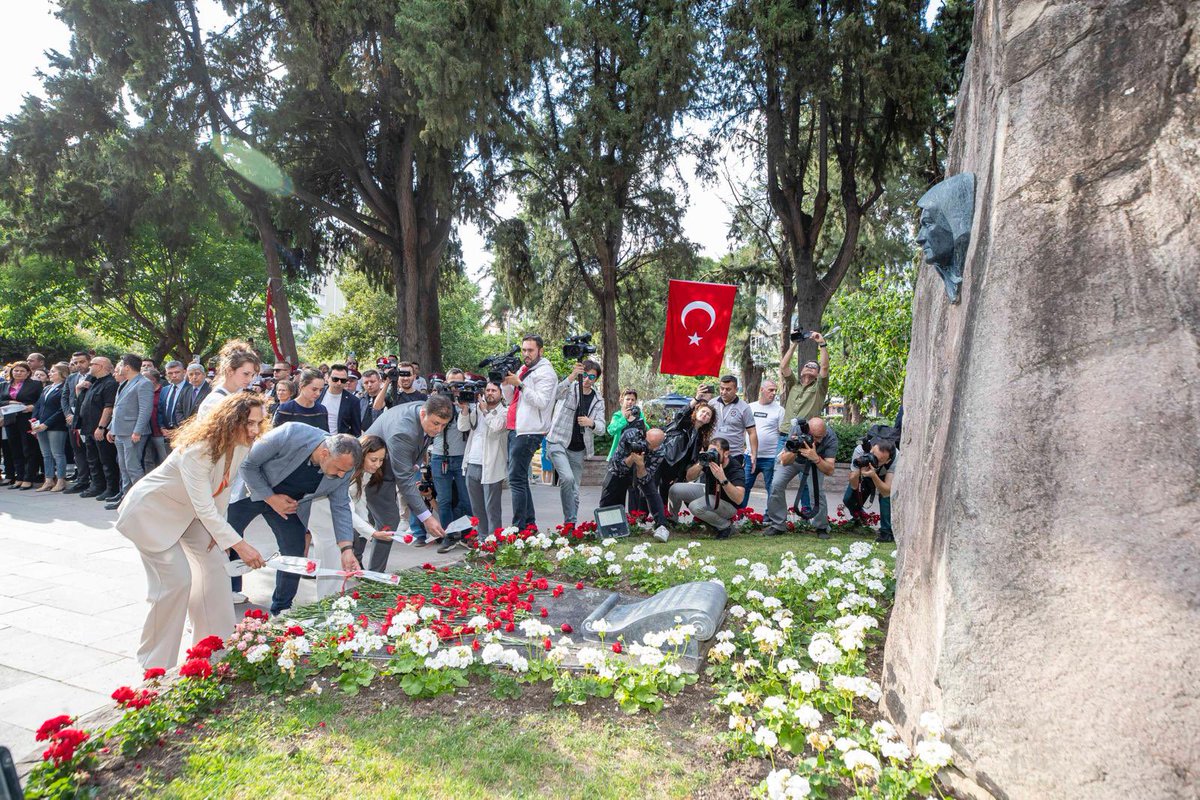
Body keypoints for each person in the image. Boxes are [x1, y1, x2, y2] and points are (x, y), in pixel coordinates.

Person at [115, 392, 270, 669]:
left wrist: (220, 534)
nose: (254, 430)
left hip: (190, 515)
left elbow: (221, 493)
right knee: (176, 583)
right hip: (151, 515)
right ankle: (155, 666)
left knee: (215, 569)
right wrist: (239, 545)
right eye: (248, 423)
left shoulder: (242, 444)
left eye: (259, 423)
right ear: (228, 420)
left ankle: (216, 649)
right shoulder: (198, 449)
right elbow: (204, 506)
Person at [227, 425, 362, 615]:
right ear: (324, 454)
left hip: (289, 505)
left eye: (345, 471)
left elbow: (340, 507)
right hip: (254, 492)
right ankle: (220, 593)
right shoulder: (290, 433)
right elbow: (247, 464)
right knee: (223, 539)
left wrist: (347, 549)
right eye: (338, 469)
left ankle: (281, 609)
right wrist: (271, 498)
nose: (341, 475)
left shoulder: (344, 467)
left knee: (294, 553)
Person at [364, 395, 454, 558]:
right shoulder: (403, 432)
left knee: (369, 522)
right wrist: (427, 518)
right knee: (387, 522)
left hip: (389, 467)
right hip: (372, 472)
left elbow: (421, 442)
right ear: (423, 414)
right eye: (436, 423)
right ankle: (373, 574)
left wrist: (414, 465)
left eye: (444, 425)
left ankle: (361, 568)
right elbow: (404, 480)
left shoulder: (425, 409)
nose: (439, 430)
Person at [501, 335, 558, 530]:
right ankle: (529, 524)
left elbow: (541, 401)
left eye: (530, 350)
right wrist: (506, 383)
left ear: (540, 351)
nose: (526, 354)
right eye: (524, 350)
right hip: (516, 428)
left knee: (516, 480)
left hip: (530, 431)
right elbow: (510, 399)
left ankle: (518, 528)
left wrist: (520, 384)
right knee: (520, 479)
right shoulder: (524, 370)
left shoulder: (546, 373)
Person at [544, 360, 606, 526]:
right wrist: (572, 376)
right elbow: (554, 395)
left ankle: (570, 525)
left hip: (578, 449)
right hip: (557, 441)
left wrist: (590, 422)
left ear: (596, 379)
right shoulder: (570, 388)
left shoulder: (598, 400)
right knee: (568, 478)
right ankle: (570, 523)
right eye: (585, 375)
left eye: (591, 376)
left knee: (575, 492)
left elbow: (601, 428)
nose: (587, 379)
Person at [764, 417, 839, 539]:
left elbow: (830, 470)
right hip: (793, 461)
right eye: (814, 437)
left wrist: (815, 458)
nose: (817, 440)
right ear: (808, 431)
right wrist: (796, 448)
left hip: (815, 462)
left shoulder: (830, 437)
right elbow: (784, 461)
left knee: (816, 492)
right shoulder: (797, 430)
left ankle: (821, 527)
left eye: (821, 436)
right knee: (776, 485)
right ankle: (778, 525)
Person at [780, 331, 830, 512]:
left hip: (805, 439)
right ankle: (774, 515)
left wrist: (821, 343)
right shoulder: (793, 384)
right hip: (785, 435)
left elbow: (825, 368)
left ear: (816, 374)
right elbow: (783, 366)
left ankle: (808, 512)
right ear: (801, 370)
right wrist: (794, 344)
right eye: (806, 366)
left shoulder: (819, 388)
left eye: (813, 367)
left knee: (808, 478)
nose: (809, 367)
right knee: (778, 478)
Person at [667, 437, 747, 539]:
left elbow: (739, 499)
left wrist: (723, 479)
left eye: (715, 452)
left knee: (695, 506)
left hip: (727, 505)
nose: (712, 455)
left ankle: (725, 526)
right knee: (675, 489)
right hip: (710, 494)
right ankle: (672, 522)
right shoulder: (710, 460)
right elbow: (689, 477)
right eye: (710, 451)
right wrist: (700, 463)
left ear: (726, 453)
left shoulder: (735, 468)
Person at [457, 381, 507, 537]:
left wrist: (485, 411)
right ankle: (482, 538)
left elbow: (496, 427)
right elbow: (462, 427)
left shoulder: (505, 411)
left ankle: (495, 541)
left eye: (494, 390)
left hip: (492, 466)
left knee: (492, 508)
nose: (490, 393)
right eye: (488, 390)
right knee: (477, 507)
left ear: (501, 393)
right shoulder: (477, 409)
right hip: (472, 463)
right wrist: (465, 409)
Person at [600, 426, 670, 537]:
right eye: (645, 441)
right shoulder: (630, 435)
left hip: (642, 471)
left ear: (656, 447)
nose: (644, 445)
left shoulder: (660, 451)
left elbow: (645, 478)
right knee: (610, 494)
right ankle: (609, 529)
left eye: (648, 445)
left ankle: (662, 526)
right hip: (619, 469)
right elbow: (617, 466)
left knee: (652, 492)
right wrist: (632, 458)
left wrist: (640, 465)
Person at [107, 354, 155, 508]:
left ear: (127, 367)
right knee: (123, 466)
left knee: (133, 467)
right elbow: (117, 408)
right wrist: (110, 428)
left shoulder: (144, 383)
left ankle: (143, 501)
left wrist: (138, 431)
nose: (118, 368)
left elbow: (145, 410)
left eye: (120, 365)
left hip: (133, 433)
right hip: (120, 432)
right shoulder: (125, 383)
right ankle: (126, 498)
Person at [348, 434, 395, 579]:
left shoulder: (367, 472)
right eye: (373, 460)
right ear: (362, 454)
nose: (377, 465)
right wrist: (371, 532)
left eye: (381, 460)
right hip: (328, 510)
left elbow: (359, 498)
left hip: (348, 508)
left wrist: (366, 526)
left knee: (361, 530)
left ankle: (357, 562)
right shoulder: (347, 470)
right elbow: (346, 510)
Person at [428, 369, 471, 527]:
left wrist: (464, 406)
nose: (454, 388)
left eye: (458, 384)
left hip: (462, 457)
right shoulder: (436, 401)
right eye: (451, 383)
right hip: (440, 456)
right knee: (444, 500)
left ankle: (467, 533)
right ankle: (449, 535)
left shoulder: (468, 401)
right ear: (445, 383)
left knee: (466, 499)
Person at [658, 390, 716, 506]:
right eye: (703, 411)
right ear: (696, 411)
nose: (705, 415)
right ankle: (640, 518)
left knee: (669, 495)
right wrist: (696, 399)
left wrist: (681, 475)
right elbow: (680, 414)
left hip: (676, 469)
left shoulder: (700, 437)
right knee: (651, 492)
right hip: (665, 461)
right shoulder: (683, 423)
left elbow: (689, 458)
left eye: (708, 414)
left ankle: (668, 520)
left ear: (709, 420)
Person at [77, 356, 121, 501]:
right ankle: (97, 485)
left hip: (100, 429)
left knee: (106, 459)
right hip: (88, 427)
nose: (89, 366)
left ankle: (111, 488)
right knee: (92, 459)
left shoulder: (110, 383)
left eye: (92, 364)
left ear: (101, 366)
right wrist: (79, 388)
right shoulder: (93, 382)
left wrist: (101, 427)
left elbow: (108, 407)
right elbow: (82, 402)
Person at [708, 375, 758, 492]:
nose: (723, 392)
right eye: (722, 388)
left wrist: (753, 454)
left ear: (736, 389)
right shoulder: (712, 403)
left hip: (734, 455)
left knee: (731, 489)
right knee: (710, 488)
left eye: (728, 389)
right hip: (713, 453)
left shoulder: (744, 407)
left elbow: (752, 432)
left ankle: (733, 510)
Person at [743, 379, 786, 508]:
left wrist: (780, 454)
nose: (773, 393)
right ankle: (738, 516)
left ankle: (770, 517)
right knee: (744, 486)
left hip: (771, 457)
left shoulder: (779, 410)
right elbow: (743, 429)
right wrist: (743, 447)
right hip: (750, 456)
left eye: (775, 391)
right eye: (770, 390)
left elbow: (782, 434)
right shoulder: (750, 407)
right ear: (762, 390)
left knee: (772, 489)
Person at [844, 439, 896, 543]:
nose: (872, 458)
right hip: (865, 473)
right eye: (872, 454)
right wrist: (859, 471)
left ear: (887, 460)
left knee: (885, 500)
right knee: (848, 499)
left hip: (884, 473)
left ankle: (886, 532)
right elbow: (854, 486)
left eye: (878, 459)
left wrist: (874, 476)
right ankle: (858, 517)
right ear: (871, 448)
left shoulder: (896, 459)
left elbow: (886, 492)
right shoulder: (860, 450)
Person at [1, 360, 43, 489]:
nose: (18, 373)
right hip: (10, 420)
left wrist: (33, 407)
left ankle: (28, 478)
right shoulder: (3, 385)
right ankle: (19, 477)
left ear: (28, 373)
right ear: (12, 372)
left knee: (28, 449)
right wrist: (9, 402)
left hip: (27, 419)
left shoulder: (35, 384)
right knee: (15, 449)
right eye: (16, 370)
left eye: (22, 371)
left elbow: (41, 402)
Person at [31, 362, 70, 492]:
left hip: (56, 426)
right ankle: (48, 479)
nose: (50, 373)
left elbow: (61, 410)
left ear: (62, 374)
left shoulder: (65, 387)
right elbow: (38, 405)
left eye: (53, 371)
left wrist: (46, 424)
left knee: (57, 453)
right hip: (40, 425)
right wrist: (34, 421)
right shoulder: (47, 388)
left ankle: (61, 480)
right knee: (46, 454)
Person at [197, 341, 260, 418]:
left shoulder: (240, 395)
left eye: (252, 375)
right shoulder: (215, 402)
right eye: (246, 374)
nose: (250, 379)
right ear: (230, 371)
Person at [62, 352, 93, 493]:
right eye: (75, 362)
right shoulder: (71, 378)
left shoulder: (96, 377)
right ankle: (82, 480)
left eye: (82, 362)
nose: (78, 365)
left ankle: (96, 481)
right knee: (78, 451)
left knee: (91, 451)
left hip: (89, 421)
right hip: (73, 421)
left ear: (89, 361)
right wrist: (68, 414)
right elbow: (65, 397)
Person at [154, 361, 187, 465]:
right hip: (167, 434)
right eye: (170, 373)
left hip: (184, 433)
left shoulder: (191, 389)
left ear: (184, 372)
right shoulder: (165, 390)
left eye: (177, 372)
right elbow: (160, 410)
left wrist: (180, 430)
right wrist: (162, 427)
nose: (174, 375)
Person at [318, 364, 362, 436]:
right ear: (327, 378)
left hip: (340, 444)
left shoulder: (353, 401)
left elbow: (356, 430)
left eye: (343, 380)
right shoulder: (317, 394)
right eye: (335, 379)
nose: (339, 383)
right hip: (317, 441)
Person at [605, 389, 645, 460]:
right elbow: (611, 430)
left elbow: (646, 430)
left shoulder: (639, 414)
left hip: (636, 453)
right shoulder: (617, 415)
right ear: (622, 400)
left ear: (635, 402)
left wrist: (638, 419)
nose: (630, 402)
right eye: (628, 399)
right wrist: (624, 419)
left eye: (633, 400)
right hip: (619, 455)